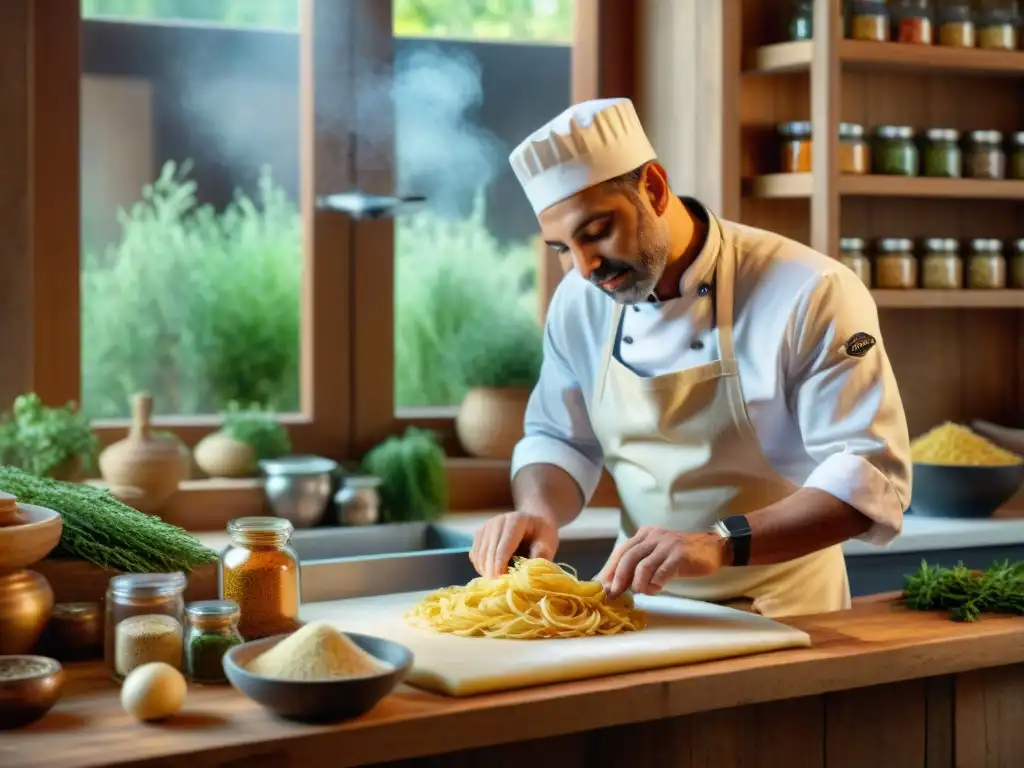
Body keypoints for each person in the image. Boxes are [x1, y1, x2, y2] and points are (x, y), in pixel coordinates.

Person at [468, 98, 912, 618]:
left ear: (654, 188)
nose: (585, 267)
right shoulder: (579, 300)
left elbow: (871, 473)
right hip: (635, 610)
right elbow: (560, 438)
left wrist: (717, 543)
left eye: (595, 233)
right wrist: (537, 513)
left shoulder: (810, 291)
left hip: (784, 610)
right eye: (562, 247)